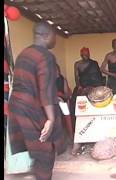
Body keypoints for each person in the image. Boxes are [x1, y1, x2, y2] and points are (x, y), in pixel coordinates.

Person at [8, 22, 66, 180]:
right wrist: (51, 119)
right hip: (31, 109)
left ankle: (36, 173)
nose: (56, 39)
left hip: (17, 107)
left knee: (38, 152)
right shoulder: (46, 56)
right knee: (45, 153)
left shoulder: (24, 53)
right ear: (46, 35)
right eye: (55, 35)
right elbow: (45, 89)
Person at [70, 47, 105, 155]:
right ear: (81, 54)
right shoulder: (77, 64)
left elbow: (98, 78)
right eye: (84, 54)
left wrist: (95, 88)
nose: (86, 55)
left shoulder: (94, 63)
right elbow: (77, 79)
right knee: (75, 106)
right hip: (83, 88)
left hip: (94, 88)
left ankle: (98, 131)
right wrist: (81, 87)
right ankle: (79, 133)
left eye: (87, 53)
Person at [56, 64, 73, 141]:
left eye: (57, 70)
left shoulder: (62, 79)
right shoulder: (47, 80)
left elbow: (67, 95)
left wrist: (61, 95)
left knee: (67, 114)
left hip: (62, 101)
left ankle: (71, 136)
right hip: (51, 103)